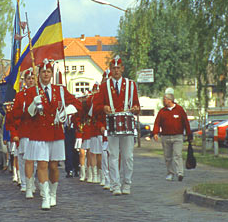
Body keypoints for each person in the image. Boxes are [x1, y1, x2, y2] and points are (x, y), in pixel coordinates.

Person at [19, 59, 82, 210]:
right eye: (43, 72)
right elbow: (26, 115)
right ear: (38, 74)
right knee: (42, 164)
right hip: (38, 133)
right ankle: (45, 196)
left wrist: (65, 112)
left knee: (53, 166)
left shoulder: (60, 90)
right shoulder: (31, 91)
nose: (46, 74)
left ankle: (53, 193)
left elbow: (78, 104)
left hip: (55, 133)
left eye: (48, 72)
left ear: (51, 74)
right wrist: (34, 103)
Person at [94, 55, 140, 196]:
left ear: (122, 69)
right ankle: (115, 185)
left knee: (128, 156)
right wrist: (104, 108)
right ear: (110, 69)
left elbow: (137, 105)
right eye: (113, 68)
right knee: (113, 156)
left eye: (118, 68)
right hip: (112, 125)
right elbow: (96, 107)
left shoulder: (131, 85)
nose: (116, 71)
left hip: (127, 125)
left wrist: (135, 108)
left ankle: (127, 183)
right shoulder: (104, 86)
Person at [152, 88, 192, 182]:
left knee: (177, 155)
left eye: (164, 99)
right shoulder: (162, 111)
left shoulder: (179, 109)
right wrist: (155, 132)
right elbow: (157, 123)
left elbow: (185, 122)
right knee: (168, 156)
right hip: (165, 137)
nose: (163, 101)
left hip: (177, 136)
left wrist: (189, 134)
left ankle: (180, 173)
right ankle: (170, 173)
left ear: (170, 100)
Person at [11, 68, 36, 196]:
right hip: (24, 130)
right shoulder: (20, 95)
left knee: (36, 159)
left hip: (37, 131)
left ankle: (34, 181)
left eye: (32, 78)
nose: (31, 81)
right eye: (28, 79)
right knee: (24, 158)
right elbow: (14, 114)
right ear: (25, 81)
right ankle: (25, 183)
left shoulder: (39, 93)